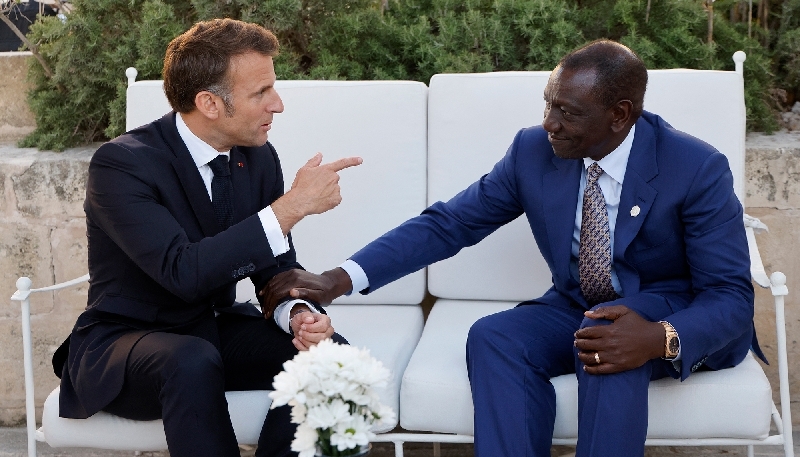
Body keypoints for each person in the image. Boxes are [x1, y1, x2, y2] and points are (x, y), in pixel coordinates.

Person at [262, 40, 765, 457]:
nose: (550, 122)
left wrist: (658, 338)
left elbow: (731, 297)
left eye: (567, 112)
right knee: (494, 337)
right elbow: (450, 224)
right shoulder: (534, 151)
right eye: (548, 103)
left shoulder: (695, 167)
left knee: (604, 342)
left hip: (670, 309)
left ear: (619, 116)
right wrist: (338, 279)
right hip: (580, 306)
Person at [51, 18, 362, 457]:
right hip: (126, 344)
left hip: (209, 332)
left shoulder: (256, 157)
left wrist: (295, 313)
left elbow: (273, 268)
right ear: (209, 103)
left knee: (328, 356)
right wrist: (291, 206)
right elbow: (183, 272)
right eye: (261, 92)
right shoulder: (121, 164)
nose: (278, 104)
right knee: (190, 360)